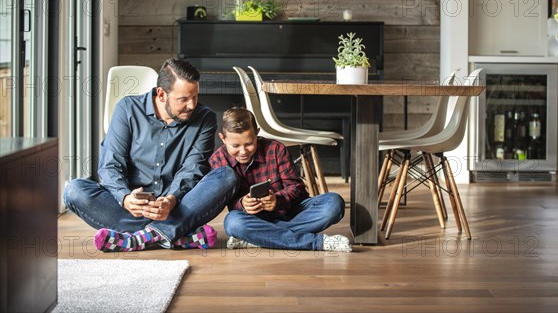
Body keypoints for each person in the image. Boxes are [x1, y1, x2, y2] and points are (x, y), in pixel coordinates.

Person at [63, 59, 238, 252]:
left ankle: (139, 238)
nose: (192, 105)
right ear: (161, 94)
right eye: (183, 99)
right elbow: (111, 164)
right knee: (74, 190)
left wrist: (171, 199)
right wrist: (125, 198)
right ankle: (173, 235)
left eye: (195, 97)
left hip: (177, 206)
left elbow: (193, 169)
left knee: (226, 176)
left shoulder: (205, 118)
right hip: (131, 208)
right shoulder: (127, 109)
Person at [209, 107, 352, 252]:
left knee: (334, 203)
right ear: (223, 138)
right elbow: (224, 204)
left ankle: (259, 238)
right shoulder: (218, 160)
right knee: (233, 223)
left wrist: (277, 200)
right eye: (235, 146)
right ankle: (315, 243)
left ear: (257, 133)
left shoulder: (276, 149)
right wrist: (243, 204)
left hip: (289, 215)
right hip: (254, 221)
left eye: (249, 143)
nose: (243, 151)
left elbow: (298, 190)